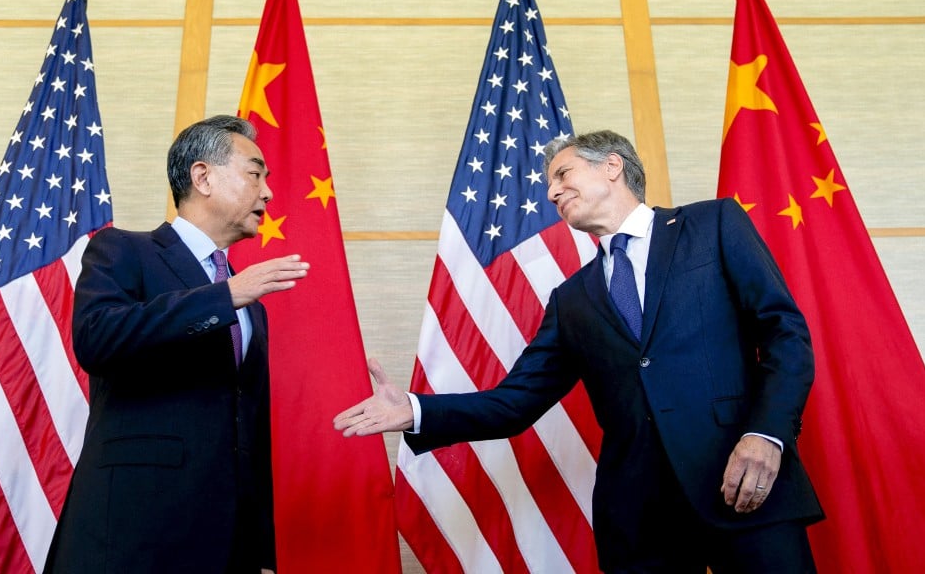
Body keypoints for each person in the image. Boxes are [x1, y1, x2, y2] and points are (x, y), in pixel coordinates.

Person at [335, 130, 824, 573]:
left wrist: (767, 435)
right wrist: (416, 410)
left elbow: (785, 333)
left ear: (612, 166)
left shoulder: (712, 224)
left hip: (742, 481)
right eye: (550, 184)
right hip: (639, 518)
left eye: (562, 174)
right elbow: (515, 403)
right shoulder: (571, 300)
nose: (551, 192)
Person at [45, 115, 309, 573]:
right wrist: (223, 296)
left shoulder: (252, 306)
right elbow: (97, 339)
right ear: (202, 176)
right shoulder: (123, 250)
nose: (267, 192)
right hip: (132, 534)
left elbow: (249, 431)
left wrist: (260, 552)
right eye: (255, 173)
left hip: (225, 548)